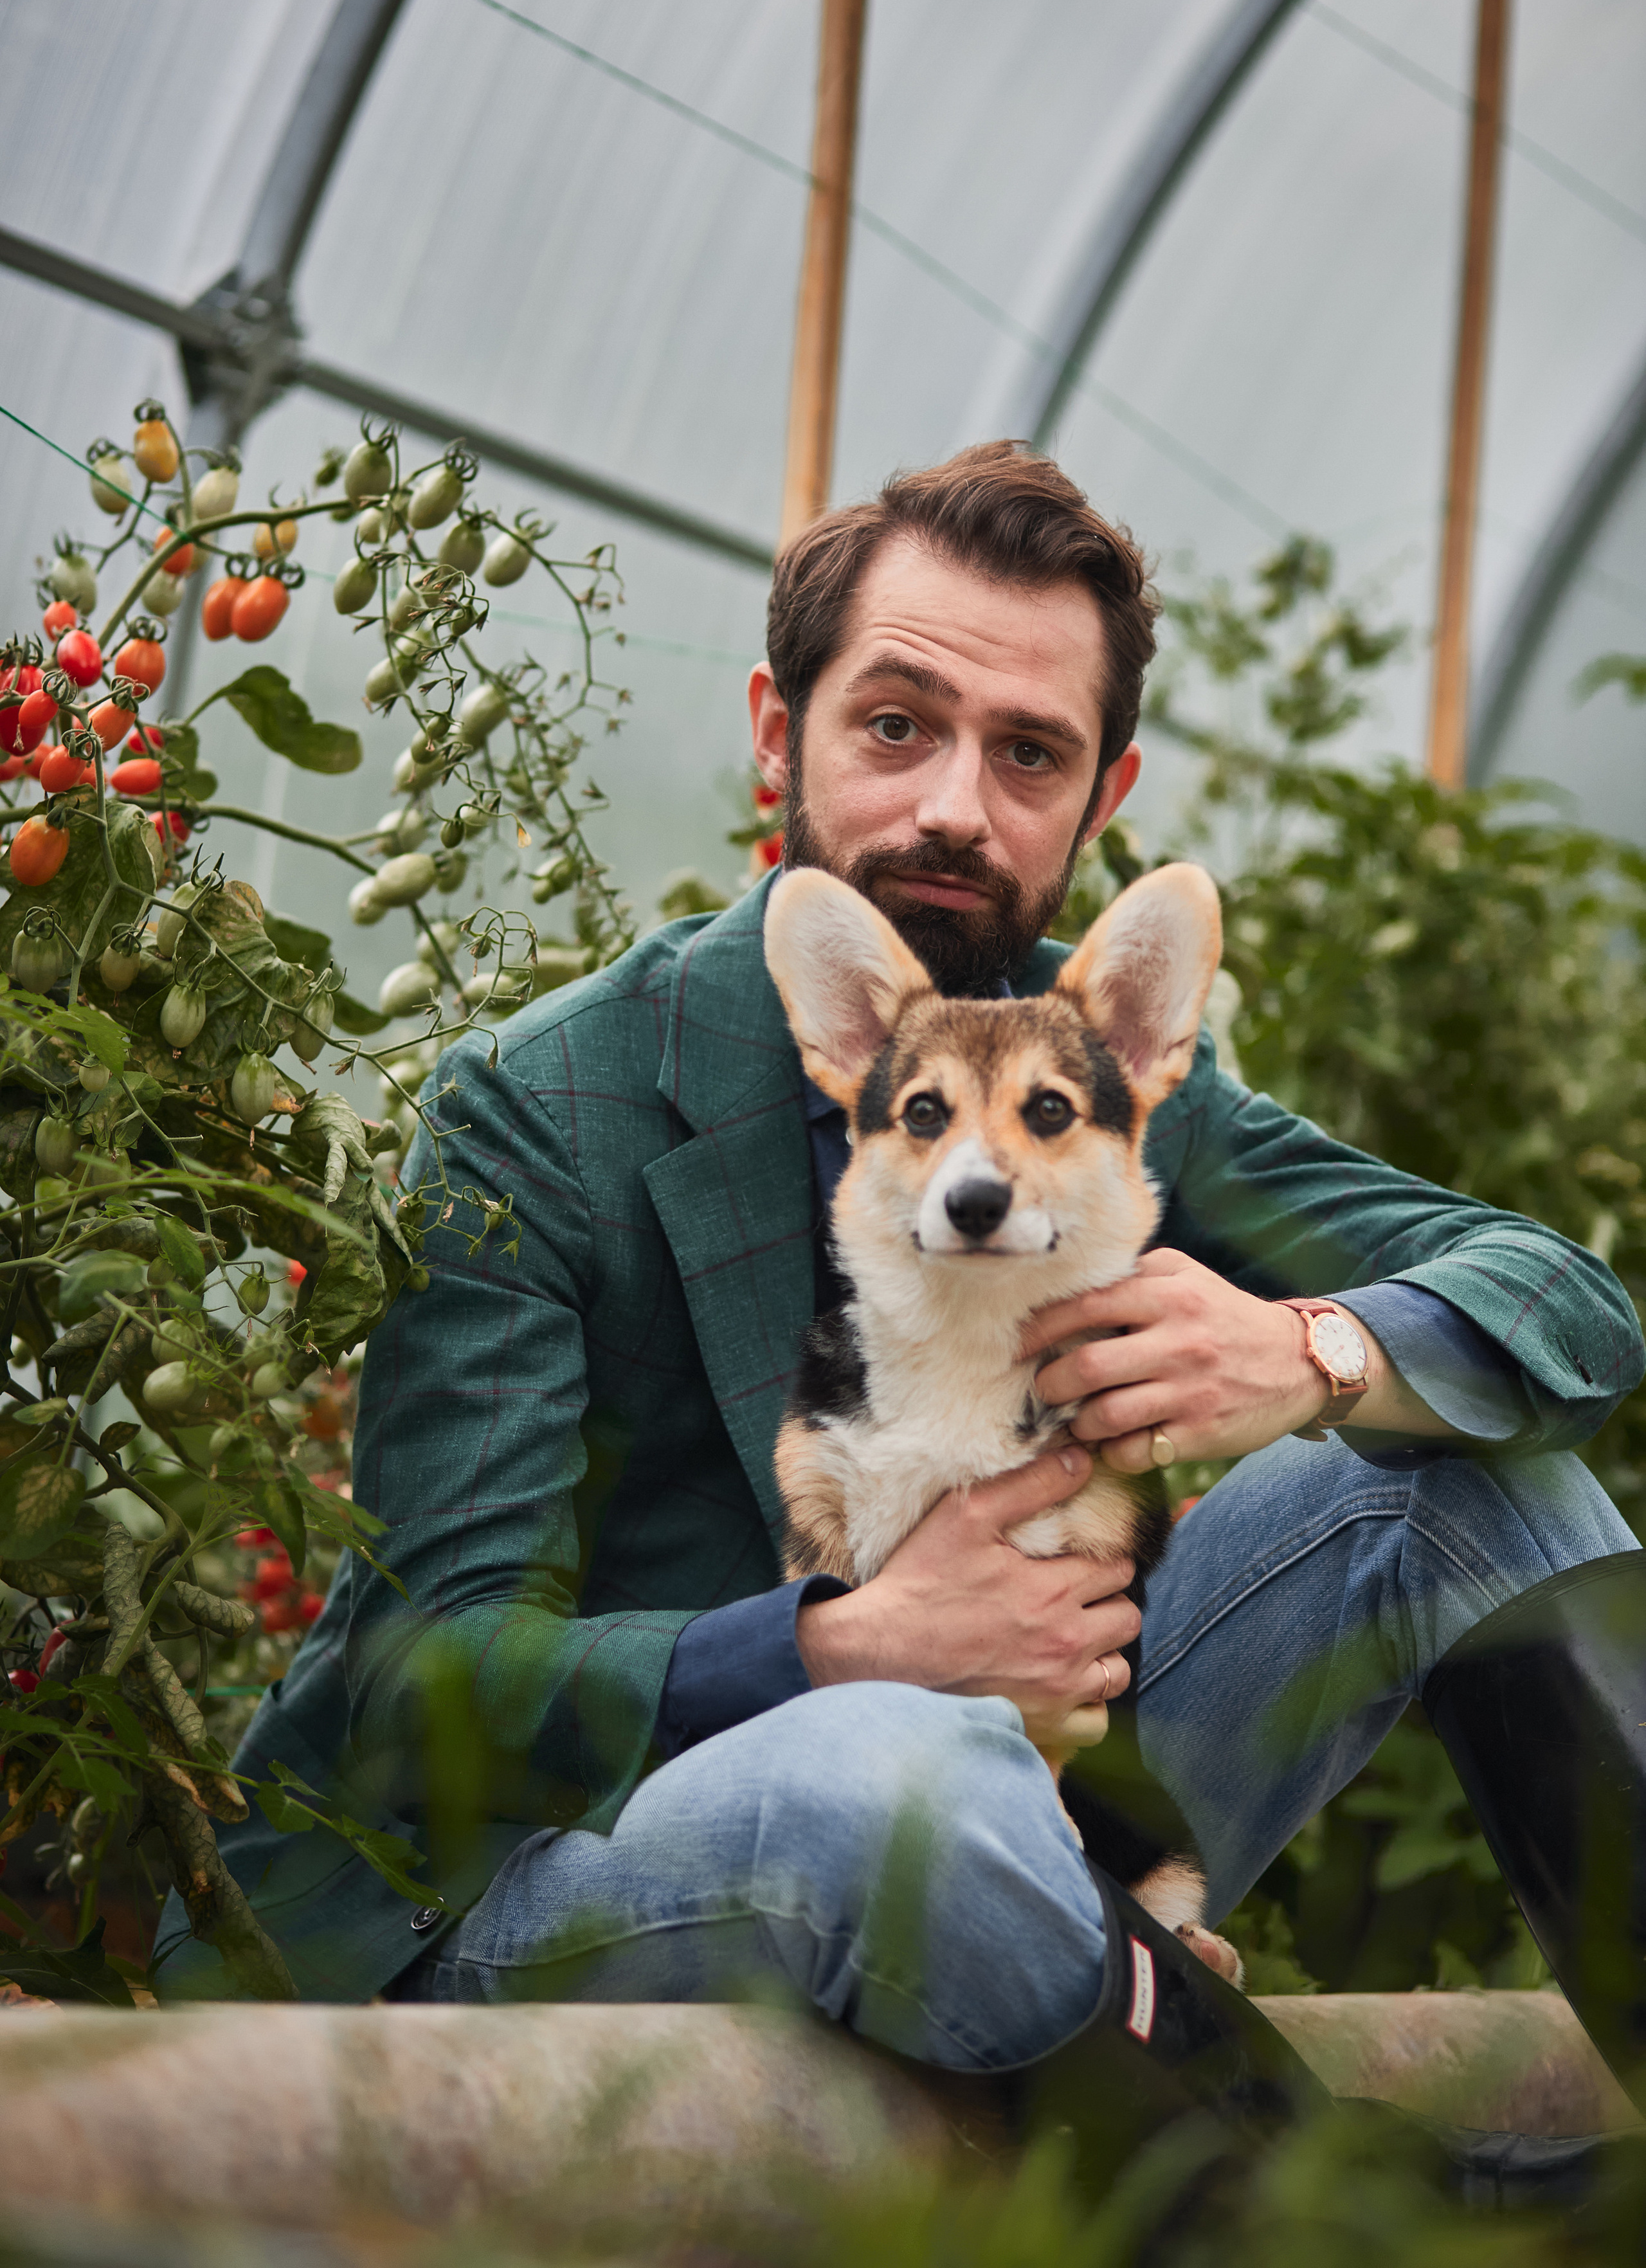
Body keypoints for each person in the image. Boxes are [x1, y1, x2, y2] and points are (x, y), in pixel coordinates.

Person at [158, 442, 1644, 2117]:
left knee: (1474, 1480)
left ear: (1104, 795)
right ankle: (1368, 2219)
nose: (954, 802)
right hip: (539, 1871)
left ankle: (1119, 1972)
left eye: (1030, 755)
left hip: (1033, 1783)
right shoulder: (538, 1107)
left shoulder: (1102, 1090)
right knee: (899, 1771)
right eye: (895, 725)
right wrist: (852, 1647)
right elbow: (425, 1686)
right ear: (778, 733)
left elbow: (1563, 1300)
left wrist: (1310, 1346)